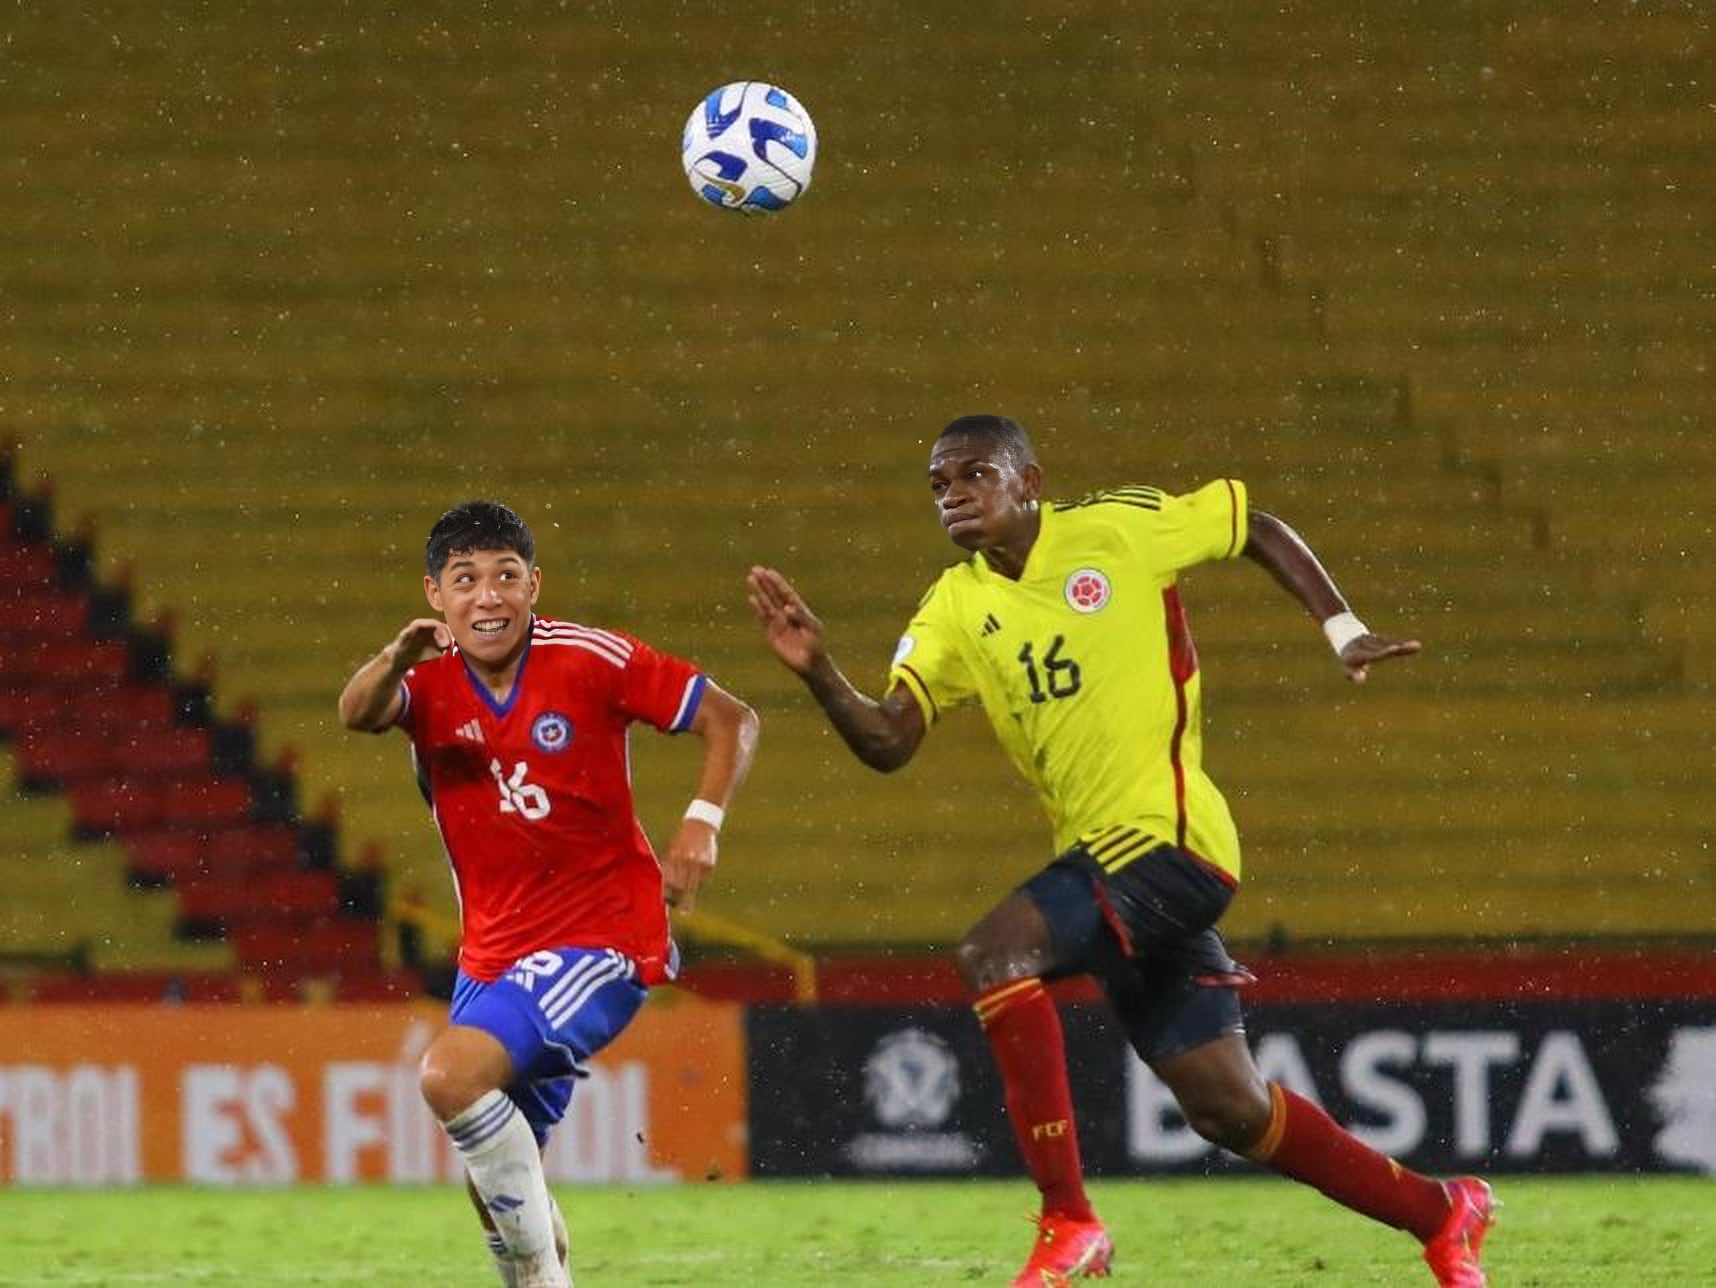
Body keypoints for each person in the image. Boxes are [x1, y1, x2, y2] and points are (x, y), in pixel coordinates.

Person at [747, 415, 1494, 1288]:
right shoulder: (954, 605)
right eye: (939, 483)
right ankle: (1442, 1213)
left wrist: (1340, 627)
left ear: (1029, 479)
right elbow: (888, 740)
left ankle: (1068, 1222)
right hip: (1107, 863)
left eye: (974, 473)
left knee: (996, 951)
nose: (953, 493)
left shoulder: (1117, 528)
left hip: (1173, 841)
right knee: (1228, 1107)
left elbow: (1251, 523)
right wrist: (819, 671)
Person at [340, 500, 759, 1288]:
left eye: (506, 576)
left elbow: (732, 719)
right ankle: (543, 1264)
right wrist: (395, 657)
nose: (488, 597)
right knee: (492, 1181)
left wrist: (701, 823)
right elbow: (355, 712)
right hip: (492, 957)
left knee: (448, 1078)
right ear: (436, 596)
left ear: (535, 584)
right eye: (466, 580)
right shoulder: (427, 687)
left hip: (604, 937)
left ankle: (544, 1279)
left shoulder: (590, 658)